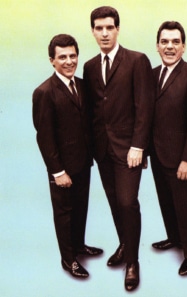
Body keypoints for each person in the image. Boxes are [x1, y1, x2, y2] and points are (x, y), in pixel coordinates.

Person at [83, 6, 155, 291]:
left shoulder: (137, 61)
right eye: (98, 28)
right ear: (92, 31)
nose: (104, 33)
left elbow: (145, 108)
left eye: (109, 27)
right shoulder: (88, 66)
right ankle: (125, 244)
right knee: (115, 203)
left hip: (129, 151)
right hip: (102, 151)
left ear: (117, 29)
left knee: (128, 202)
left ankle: (133, 262)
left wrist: (139, 146)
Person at [32, 34, 103, 279]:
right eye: (63, 57)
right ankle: (68, 259)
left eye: (73, 55)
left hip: (83, 162)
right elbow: (44, 137)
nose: (69, 61)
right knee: (64, 213)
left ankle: (79, 245)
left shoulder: (82, 85)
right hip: (62, 168)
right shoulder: (44, 92)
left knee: (81, 208)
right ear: (52, 60)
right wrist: (57, 172)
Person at [150, 21, 187, 276]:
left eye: (175, 42)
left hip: (181, 158)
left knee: (185, 206)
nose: (170, 46)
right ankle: (174, 238)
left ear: (184, 47)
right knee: (166, 201)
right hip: (157, 154)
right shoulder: (151, 75)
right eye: (165, 42)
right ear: (157, 46)